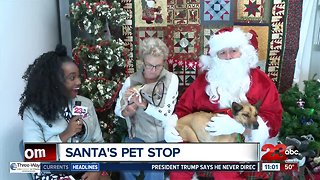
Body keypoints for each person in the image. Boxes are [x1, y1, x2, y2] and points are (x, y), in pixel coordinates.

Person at [164, 27, 282, 179]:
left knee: (225, 170)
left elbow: (273, 119)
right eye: (222, 52)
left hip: (240, 142)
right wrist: (170, 125)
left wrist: (240, 127)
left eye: (233, 50)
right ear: (215, 57)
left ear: (243, 52)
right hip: (201, 136)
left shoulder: (262, 81)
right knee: (181, 165)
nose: (228, 57)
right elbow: (183, 108)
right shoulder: (205, 80)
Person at [19, 44, 110, 180]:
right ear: (54, 81)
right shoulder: (33, 112)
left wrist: (97, 168)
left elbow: (99, 144)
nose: (79, 82)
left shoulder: (86, 104)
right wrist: (66, 134)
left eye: (78, 77)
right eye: (72, 78)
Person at [114, 37, 179, 180]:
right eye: (149, 65)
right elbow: (117, 110)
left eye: (158, 66)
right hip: (137, 136)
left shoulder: (171, 79)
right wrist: (126, 111)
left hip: (160, 138)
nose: (153, 70)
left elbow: (165, 115)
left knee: (154, 169)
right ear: (142, 62)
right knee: (126, 166)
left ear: (163, 63)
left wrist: (144, 104)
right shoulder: (131, 80)